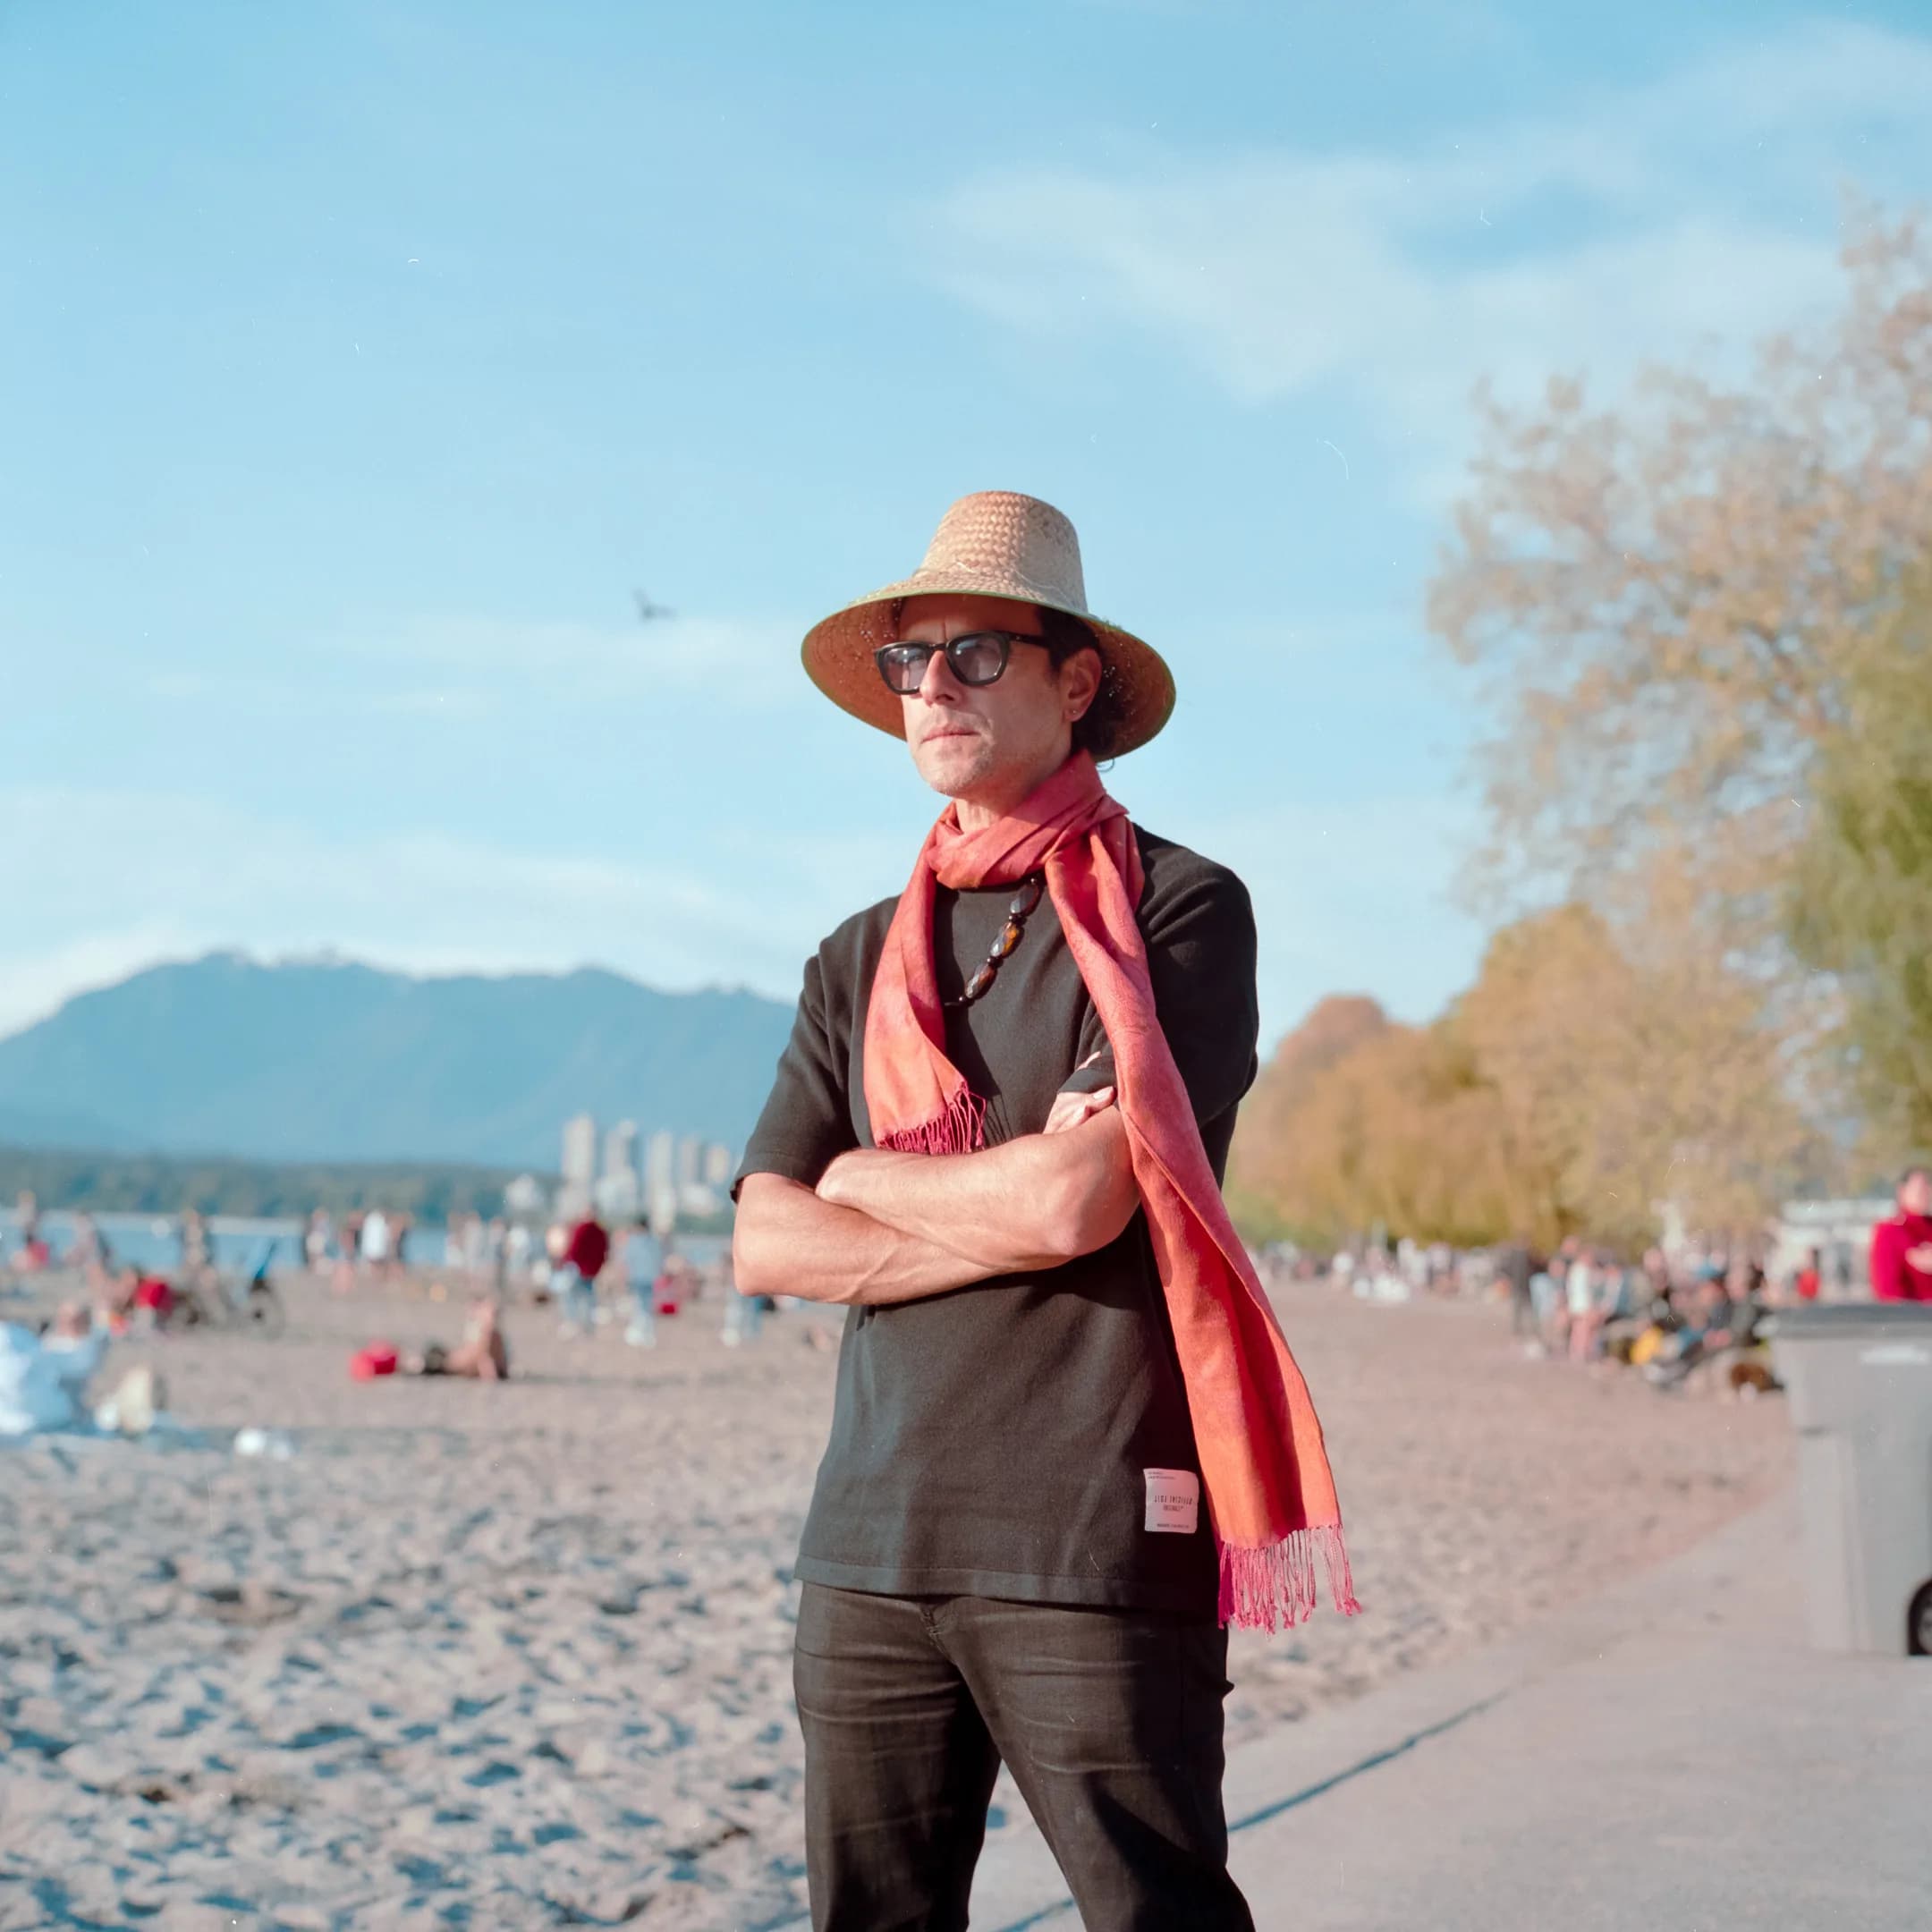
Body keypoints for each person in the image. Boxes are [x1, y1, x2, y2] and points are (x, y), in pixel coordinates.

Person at [731, 492, 1353, 1930]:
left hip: (1095, 1529)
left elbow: (1079, 1202)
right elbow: (765, 1238)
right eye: (910, 659)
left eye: (974, 653)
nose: (933, 686)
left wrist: (864, 1178)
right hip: (871, 1540)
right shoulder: (855, 959)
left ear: (1076, 682)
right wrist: (978, 1194)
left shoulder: (1178, 912)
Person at [1868, 1165, 1932, 1302]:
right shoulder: (1890, 1232)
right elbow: (1887, 1291)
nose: (1926, 1193)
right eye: (1920, 1188)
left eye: (1928, 1187)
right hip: (1912, 1313)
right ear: (1902, 1191)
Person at [555, 1208, 609, 1337]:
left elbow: (574, 1248)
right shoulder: (600, 1231)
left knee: (570, 1296)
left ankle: (572, 1323)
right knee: (588, 1298)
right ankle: (587, 1326)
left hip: (577, 1269)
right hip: (591, 1270)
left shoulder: (581, 1229)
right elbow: (604, 1252)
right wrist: (597, 1267)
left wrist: (566, 1261)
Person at [621, 1215, 662, 1347]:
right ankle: (646, 1334)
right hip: (648, 1277)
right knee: (645, 1306)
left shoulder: (634, 1241)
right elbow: (658, 1259)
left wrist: (625, 1276)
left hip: (639, 1278)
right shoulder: (653, 1241)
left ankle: (642, 1333)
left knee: (640, 1306)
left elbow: (627, 1260)